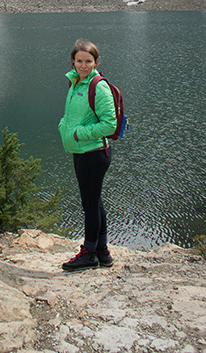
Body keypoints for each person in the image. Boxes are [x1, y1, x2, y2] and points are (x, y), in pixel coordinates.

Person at [58, 39, 117, 272]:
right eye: (79, 61)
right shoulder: (76, 83)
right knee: (95, 201)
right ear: (73, 61)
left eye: (88, 61)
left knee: (90, 205)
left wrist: (77, 133)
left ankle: (89, 253)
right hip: (81, 151)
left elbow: (109, 125)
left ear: (96, 62)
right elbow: (72, 115)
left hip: (93, 153)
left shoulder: (97, 86)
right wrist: (64, 126)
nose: (83, 65)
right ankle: (102, 252)